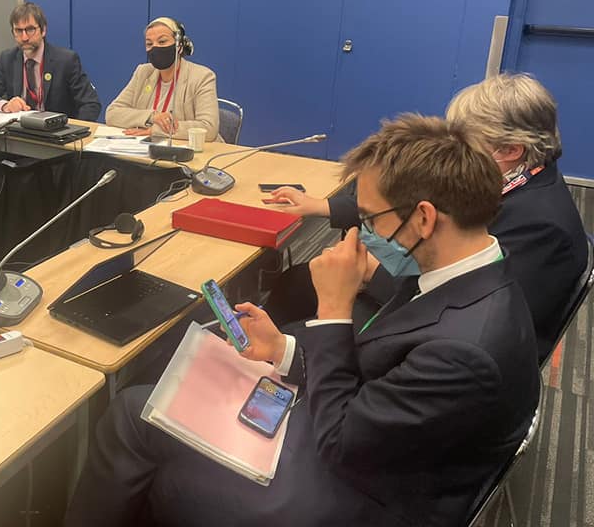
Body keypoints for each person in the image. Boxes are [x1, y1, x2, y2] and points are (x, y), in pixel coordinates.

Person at [65, 115, 539, 527]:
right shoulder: (466, 273)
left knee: (134, 416)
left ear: (424, 219)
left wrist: (333, 310)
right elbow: (381, 376)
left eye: (370, 219)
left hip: (360, 494)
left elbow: (340, 440)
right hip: (376, 440)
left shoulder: (465, 352)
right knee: (157, 398)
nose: (361, 233)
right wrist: (283, 351)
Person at [268, 72, 587, 359]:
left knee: (295, 342)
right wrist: (324, 207)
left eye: (464, 142)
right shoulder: (513, 180)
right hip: (422, 294)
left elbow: (461, 305)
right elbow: (404, 198)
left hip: (440, 331)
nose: (452, 150)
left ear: (511, 150)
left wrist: (369, 275)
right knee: (295, 283)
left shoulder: (542, 227)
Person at [0, 2, 101, 120]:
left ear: (43, 30)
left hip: (55, 131)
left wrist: (72, 129)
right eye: (18, 31)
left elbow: (91, 104)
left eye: (30, 30)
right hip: (20, 128)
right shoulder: (8, 58)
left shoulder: (65, 61)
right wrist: (5, 105)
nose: (24, 37)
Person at [105, 17, 220, 141]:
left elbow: (209, 128)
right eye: (149, 44)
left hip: (191, 149)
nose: (155, 47)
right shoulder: (143, 72)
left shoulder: (202, 76)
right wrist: (152, 117)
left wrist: (155, 131)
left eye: (162, 41)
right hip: (144, 147)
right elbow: (112, 113)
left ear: (179, 46)